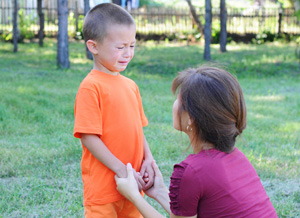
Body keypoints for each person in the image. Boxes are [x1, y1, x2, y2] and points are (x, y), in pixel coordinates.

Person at [115, 66, 278, 218]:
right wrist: (159, 192)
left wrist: (134, 197)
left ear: (191, 118)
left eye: (178, 100)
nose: (174, 105)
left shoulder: (191, 171)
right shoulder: (237, 157)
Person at [73, 3, 154, 218]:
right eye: (120, 47)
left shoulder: (131, 86)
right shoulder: (91, 87)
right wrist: (121, 170)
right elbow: (89, 138)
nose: (128, 53)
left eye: (132, 46)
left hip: (133, 187)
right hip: (104, 191)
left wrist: (149, 160)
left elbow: (138, 130)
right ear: (94, 46)